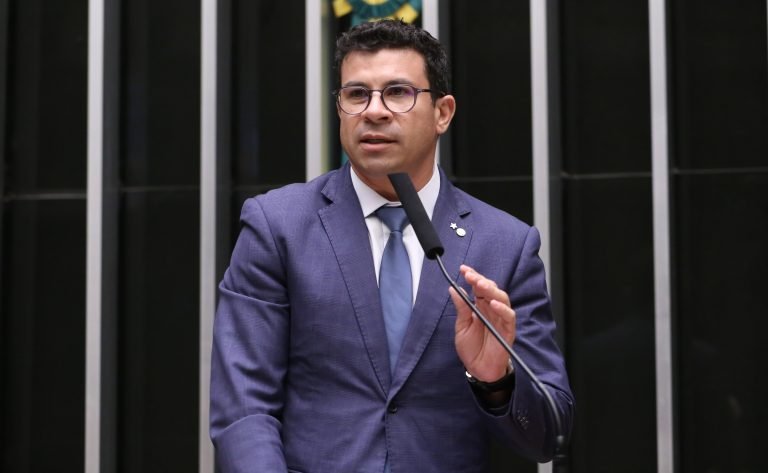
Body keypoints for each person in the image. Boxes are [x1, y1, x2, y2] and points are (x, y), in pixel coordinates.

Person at [210, 19, 573, 473]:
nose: (374, 111)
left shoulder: (505, 245)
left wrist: (495, 380)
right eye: (356, 94)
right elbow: (244, 408)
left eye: (398, 92)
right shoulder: (278, 226)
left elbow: (548, 434)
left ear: (443, 113)